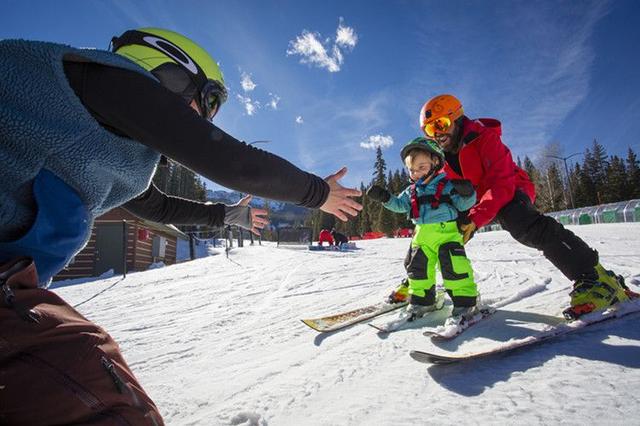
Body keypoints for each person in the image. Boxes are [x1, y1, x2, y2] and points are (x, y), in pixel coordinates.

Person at [0, 28, 362, 424]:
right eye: (209, 101)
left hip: (14, 285)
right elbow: (227, 158)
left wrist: (225, 216)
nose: (206, 116)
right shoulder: (107, 79)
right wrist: (316, 193)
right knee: (107, 404)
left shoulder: (102, 142)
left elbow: (156, 206)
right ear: (171, 71)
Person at [418, 94, 632, 320]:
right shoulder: (442, 158)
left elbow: (501, 184)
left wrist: (475, 218)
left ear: (457, 118)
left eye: (441, 124)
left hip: (510, 188)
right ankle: (420, 285)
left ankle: (594, 278)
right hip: (476, 200)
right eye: (430, 130)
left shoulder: (483, 138)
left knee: (519, 220)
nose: (438, 134)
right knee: (440, 223)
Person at [367, 137, 478, 320]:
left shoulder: (447, 185)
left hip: (446, 235)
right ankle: (423, 301)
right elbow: (399, 205)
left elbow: (464, 203)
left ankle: (466, 303)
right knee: (418, 270)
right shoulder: (412, 191)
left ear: (435, 163)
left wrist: (467, 193)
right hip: (422, 236)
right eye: (412, 170)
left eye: (422, 167)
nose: (416, 174)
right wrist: (385, 198)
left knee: (454, 268)